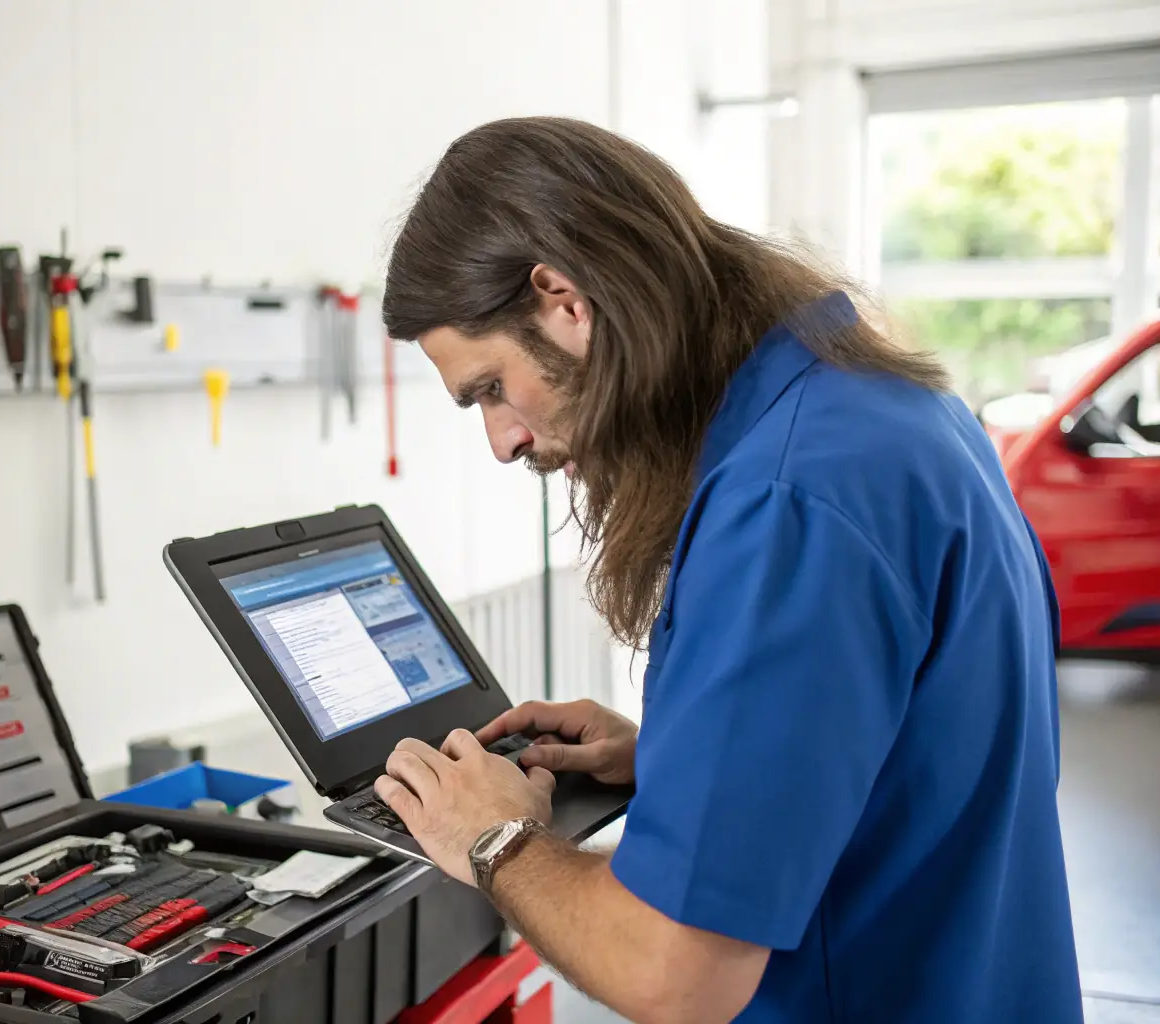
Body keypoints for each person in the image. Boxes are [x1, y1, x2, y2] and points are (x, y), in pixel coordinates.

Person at [375, 117, 1083, 1024]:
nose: (504, 441)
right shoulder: (882, 408)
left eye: (490, 388)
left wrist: (492, 835)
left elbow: (674, 973)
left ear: (563, 301)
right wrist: (680, 759)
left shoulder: (786, 500)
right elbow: (918, 744)